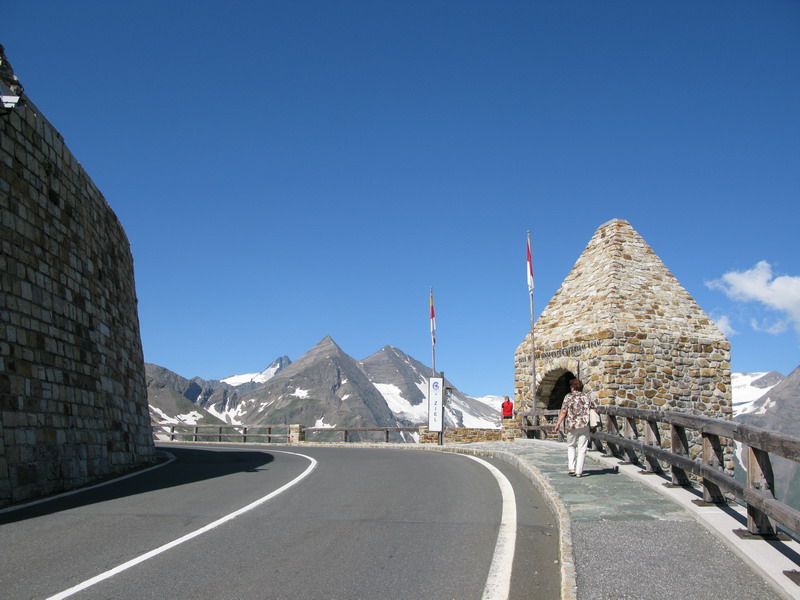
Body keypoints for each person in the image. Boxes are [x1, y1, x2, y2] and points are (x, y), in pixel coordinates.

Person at [553, 378, 596, 477]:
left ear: (572, 387)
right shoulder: (587, 396)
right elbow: (594, 409)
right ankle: (579, 471)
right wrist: (594, 425)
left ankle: (572, 467)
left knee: (571, 446)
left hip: (572, 425)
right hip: (584, 425)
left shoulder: (568, 397)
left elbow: (563, 411)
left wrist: (558, 423)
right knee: (582, 449)